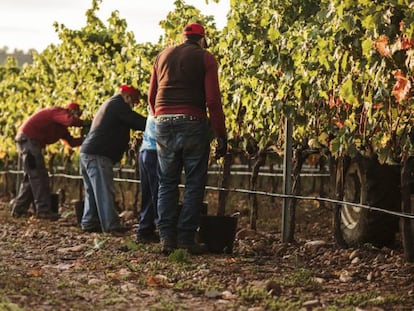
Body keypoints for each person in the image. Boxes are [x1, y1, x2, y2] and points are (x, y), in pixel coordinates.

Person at [148, 22, 227, 254]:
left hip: (162, 121)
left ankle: (166, 239)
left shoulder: (161, 56)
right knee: (194, 181)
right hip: (192, 121)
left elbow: (151, 98)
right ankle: (186, 238)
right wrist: (221, 135)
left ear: (183, 37)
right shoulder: (205, 57)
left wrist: (162, 118)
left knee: (167, 182)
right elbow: (213, 100)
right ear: (203, 39)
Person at [80, 85, 146, 234]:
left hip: (88, 152)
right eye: (133, 102)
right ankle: (111, 225)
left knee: (92, 190)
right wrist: (155, 124)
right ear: (127, 96)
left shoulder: (110, 103)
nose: (132, 106)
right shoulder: (118, 104)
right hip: (98, 154)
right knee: (104, 190)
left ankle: (89, 222)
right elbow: (136, 121)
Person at [11, 102, 86, 220]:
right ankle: (43, 211)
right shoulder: (58, 112)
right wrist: (85, 123)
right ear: (71, 112)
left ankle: (19, 210)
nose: (77, 118)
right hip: (29, 140)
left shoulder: (62, 128)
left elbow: (70, 142)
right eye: (77, 115)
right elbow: (70, 121)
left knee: (31, 177)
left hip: (28, 141)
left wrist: (86, 139)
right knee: (39, 176)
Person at [136, 107, 159, 243]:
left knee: (149, 193)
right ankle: (163, 231)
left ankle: (144, 230)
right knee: (158, 193)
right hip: (155, 152)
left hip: (144, 151)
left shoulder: (152, 106)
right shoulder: (163, 106)